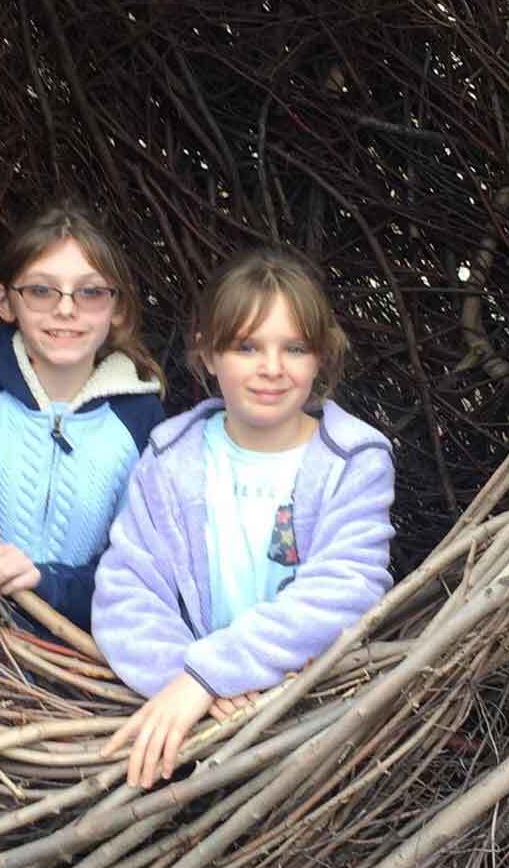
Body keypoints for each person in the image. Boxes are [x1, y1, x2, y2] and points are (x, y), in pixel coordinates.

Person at [94, 246, 394, 788]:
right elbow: (127, 591)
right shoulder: (170, 456)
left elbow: (346, 589)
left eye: (294, 348)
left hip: (316, 724)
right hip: (200, 729)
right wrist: (186, 681)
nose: (272, 369)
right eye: (247, 346)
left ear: (321, 356)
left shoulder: (353, 460)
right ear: (207, 354)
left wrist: (212, 673)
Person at [0, 202, 163, 632]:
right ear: (5, 302)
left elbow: (145, 568)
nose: (65, 309)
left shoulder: (142, 422)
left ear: (117, 308)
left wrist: (51, 584)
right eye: (41, 290)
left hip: (73, 666)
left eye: (90, 292)